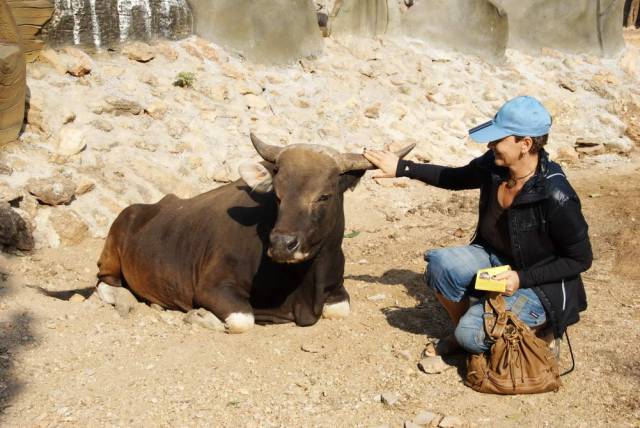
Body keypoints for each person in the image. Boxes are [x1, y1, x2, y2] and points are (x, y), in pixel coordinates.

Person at [363, 96, 592, 364]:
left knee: (472, 334)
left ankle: (542, 329)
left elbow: (580, 259)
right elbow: (454, 178)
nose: (490, 144)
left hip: (540, 285)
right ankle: (469, 334)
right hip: (495, 261)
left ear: (525, 144)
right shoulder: (494, 167)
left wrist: (521, 278)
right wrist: (403, 168)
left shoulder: (556, 195)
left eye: (498, 139)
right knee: (440, 265)